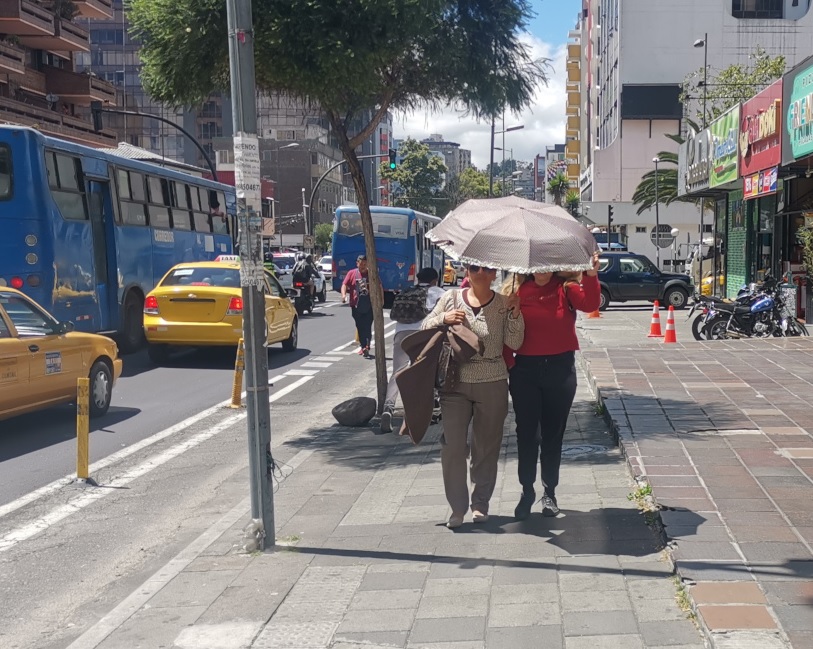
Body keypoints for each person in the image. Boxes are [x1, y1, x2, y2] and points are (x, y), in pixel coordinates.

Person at [421, 264, 524, 529]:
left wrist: (514, 313)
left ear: (494, 275)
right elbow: (424, 325)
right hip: (455, 382)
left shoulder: (503, 303)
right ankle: (457, 508)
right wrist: (442, 319)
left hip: (493, 380)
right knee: (453, 446)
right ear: (466, 271)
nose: (480, 272)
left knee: (486, 447)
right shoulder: (451, 298)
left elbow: (515, 343)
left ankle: (480, 503)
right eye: (474, 267)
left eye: (486, 269)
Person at [507, 253, 601, 520]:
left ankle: (550, 493)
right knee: (527, 435)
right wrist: (509, 364)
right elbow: (507, 332)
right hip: (525, 371)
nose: (542, 271)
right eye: (536, 265)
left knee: (552, 435)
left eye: (547, 265)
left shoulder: (566, 288)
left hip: (560, 369)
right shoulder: (516, 291)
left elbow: (590, 304)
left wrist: (592, 275)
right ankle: (527, 490)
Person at [381, 267, 446, 434]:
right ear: (434, 280)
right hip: (423, 333)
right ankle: (419, 414)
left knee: (398, 371)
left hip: (400, 333)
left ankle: (388, 408)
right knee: (423, 373)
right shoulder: (439, 292)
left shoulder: (407, 291)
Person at [341, 255, 374, 357]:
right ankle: (363, 346)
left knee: (367, 325)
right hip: (356, 305)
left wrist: (381, 300)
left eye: (365, 264)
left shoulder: (371, 274)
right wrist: (343, 296)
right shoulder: (352, 273)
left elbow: (379, 286)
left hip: (370, 305)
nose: (363, 266)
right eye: (361, 264)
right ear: (357, 263)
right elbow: (344, 285)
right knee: (359, 326)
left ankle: (366, 346)